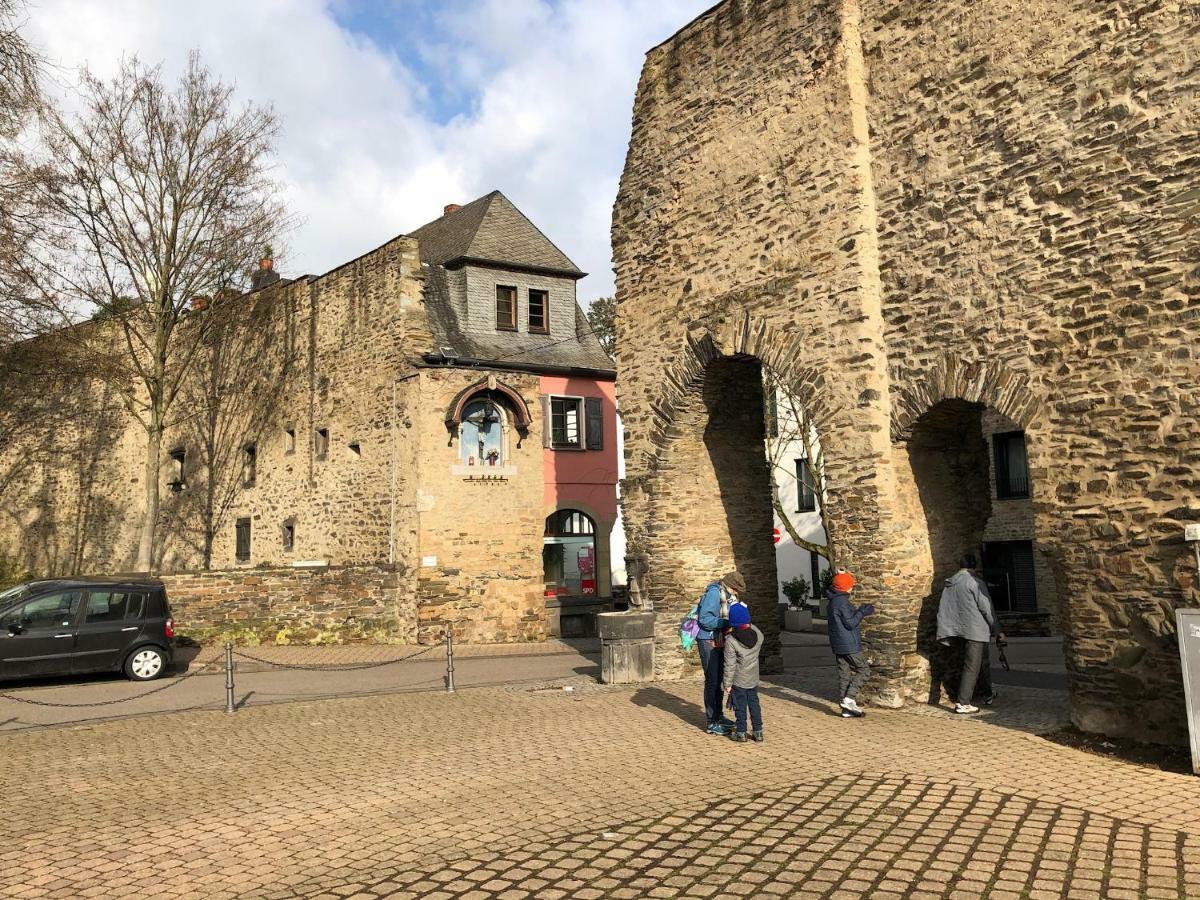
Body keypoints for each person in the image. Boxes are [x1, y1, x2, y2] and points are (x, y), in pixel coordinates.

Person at [936, 553, 1004, 714]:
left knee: (977, 663)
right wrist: (997, 630)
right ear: (974, 566)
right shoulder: (974, 583)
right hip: (975, 630)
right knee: (972, 666)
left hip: (956, 631)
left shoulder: (950, 583)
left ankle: (986, 693)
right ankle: (963, 703)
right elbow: (986, 608)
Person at [697, 571, 743, 734]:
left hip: (720, 640)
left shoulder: (727, 595)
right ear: (728, 585)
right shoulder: (713, 593)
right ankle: (711, 721)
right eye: (735, 589)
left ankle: (719, 715)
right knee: (712, 681)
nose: (736, 593)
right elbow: (705, 620)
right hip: (708, 640)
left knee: (720, 680)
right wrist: (728, 622)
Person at [826, 570, 875, 718]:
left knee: (844, 674)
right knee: (864, 670)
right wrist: (862, 611)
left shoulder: (832, 600)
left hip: (838, 643)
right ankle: (848, 699)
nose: (852, 588)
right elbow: (850, 623)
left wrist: (840, 574)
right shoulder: (842, 602)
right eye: (851, 585)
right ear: (847, 587)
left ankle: (846, 709)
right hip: (849, 644)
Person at [722, 602, 764, 742]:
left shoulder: (731, 640)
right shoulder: (757, 636)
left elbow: (730, 664)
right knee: (754, 704)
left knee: (740, 706)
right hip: (753, 678)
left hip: (739, 680)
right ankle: (758, 732)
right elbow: (756, 629)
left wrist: (727, 684)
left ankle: (741, 732)